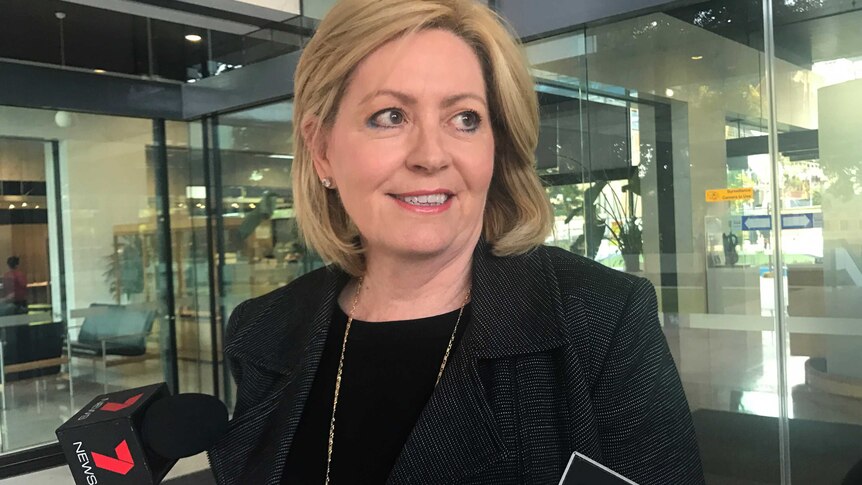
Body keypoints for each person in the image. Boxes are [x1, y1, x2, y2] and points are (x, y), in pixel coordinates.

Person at [207, 0, 704, 483]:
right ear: (322, 150)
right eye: (390, 116)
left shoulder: (601, 321)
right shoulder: (265, 331)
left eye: (464, 118)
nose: (431, 156)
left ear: (496, 144)